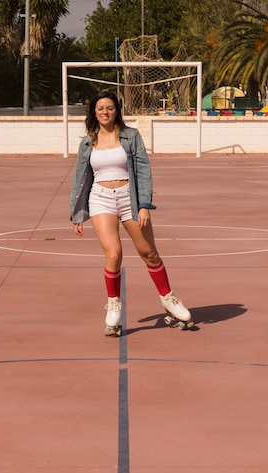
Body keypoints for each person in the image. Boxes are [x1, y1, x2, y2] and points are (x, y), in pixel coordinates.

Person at [70, 90, 193, 336]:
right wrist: (76, 214)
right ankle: (113, 305)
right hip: (100, 199)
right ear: (94, 112)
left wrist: (144, 204)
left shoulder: (131, 136)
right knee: (113, 254)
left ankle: (169, 299)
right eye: (100, 108)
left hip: (130, 199)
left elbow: (144, 170)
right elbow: (80, 178)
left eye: (110, 108)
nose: (105, 112)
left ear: (117, 111)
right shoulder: (87, 142)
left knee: (149, 253)